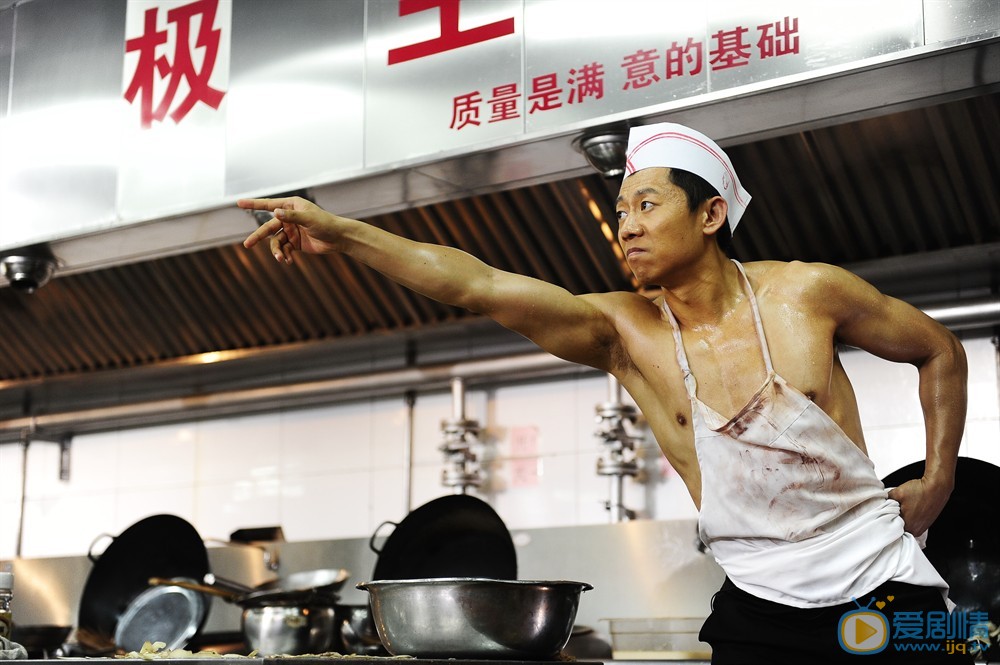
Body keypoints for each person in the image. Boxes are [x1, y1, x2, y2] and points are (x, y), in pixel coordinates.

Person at [239, 122, 970, 663]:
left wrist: (938, 479)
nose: (627, 227)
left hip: (887, 586)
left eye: (646, 205)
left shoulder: (808, 292)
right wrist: (341, 232)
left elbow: (939, 348)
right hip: (760, 608)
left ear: (710, 214)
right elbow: (475, 283)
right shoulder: (624, 333)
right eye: (621, 214)